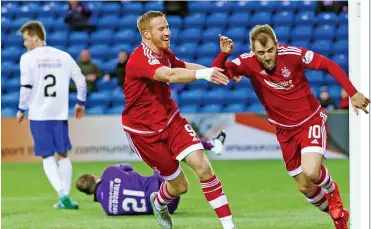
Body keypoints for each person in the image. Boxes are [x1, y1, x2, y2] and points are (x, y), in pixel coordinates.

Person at [212, 24, 370, 229]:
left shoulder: (293, 54)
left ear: (277, 45)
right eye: (261, 53)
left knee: (312, 172)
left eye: (270, 50)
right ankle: (337, 215)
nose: (267, 56)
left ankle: (333, 192)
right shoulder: (247, 62)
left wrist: (352, 92)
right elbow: (218, 73)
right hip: (284, 131)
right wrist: (223, 55)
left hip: (310, 120)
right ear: (253, 51)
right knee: (305, 187)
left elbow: (329, 65)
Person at [122, 11, 236, 229]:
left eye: (167, 27)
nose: (167, 32)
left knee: (203, 167)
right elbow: (171, 75)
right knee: (179, 186)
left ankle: (229, 226)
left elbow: (181, 66)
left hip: (171, 120)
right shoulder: (139, 58)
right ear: (146, 33)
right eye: (161, 29)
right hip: (144, 133)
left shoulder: (164, 52)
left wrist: (215, 71)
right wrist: (205, 75)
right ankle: (158, 200)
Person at [16, 21, 87, 210]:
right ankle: (66, 195)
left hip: (39, 114)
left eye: (25, 39)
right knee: (63, 154)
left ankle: (62, 193)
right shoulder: (63, 56)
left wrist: (21, 108)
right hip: (59, 113)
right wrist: (80, 103)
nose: (24, 44)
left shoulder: (28, 58)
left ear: (35, 37)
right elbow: (80, 80)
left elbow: (26, 87)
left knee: (46, 155)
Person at [76, 163, 180, 216]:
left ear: (89, 193)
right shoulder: (109, 172)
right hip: (166, 189)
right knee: (158, 160)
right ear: (94, 177)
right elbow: (129, 166)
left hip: (167, 209)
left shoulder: (109, 210)